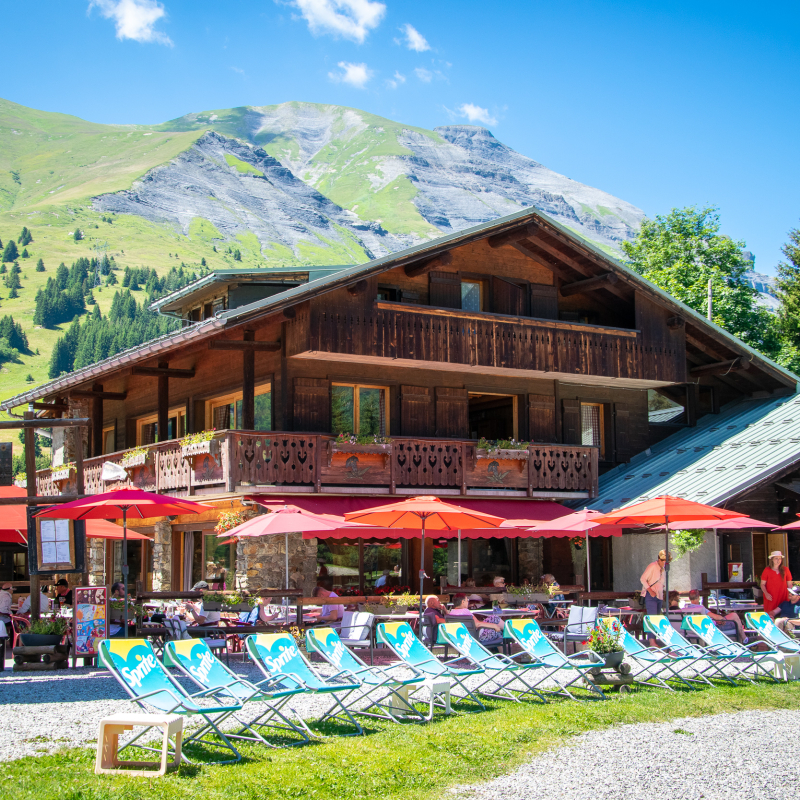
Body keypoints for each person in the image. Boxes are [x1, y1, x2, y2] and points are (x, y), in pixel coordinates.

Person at [683, 589, 747, 643]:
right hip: (713, 629)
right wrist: (720, 619)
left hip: (694, 630)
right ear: (699, 597)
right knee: (734, 616)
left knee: (735, 620)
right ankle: (744, 640)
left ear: (689, 598)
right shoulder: (701, 609)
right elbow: (716, 617)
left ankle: (743, 640)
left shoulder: (686, 609)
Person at [761, 551, 800, 619]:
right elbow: (762, 584)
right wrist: (766, 593)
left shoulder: (785, 570)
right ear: (772, 559)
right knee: (770, 615)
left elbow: (789, 584)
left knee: (783, 614)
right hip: (771, 597)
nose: (778, 560)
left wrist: (793, 595)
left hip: (783, 596)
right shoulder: (767, 570)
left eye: (780, 558)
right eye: (776, 558)